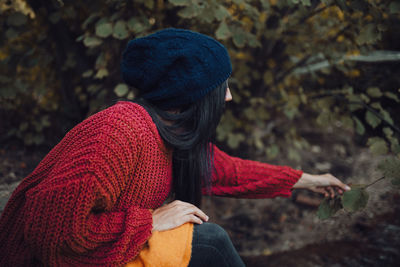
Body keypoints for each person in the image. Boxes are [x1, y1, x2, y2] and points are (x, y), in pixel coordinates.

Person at [0, 28, 351, 267]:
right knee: (210, 241)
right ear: (192, 93)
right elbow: (51, 234)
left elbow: (230, 171)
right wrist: (149, 221)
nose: (229, 96)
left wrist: (309, 179)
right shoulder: (118, 131)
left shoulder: (171, 134)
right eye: (222, 86)